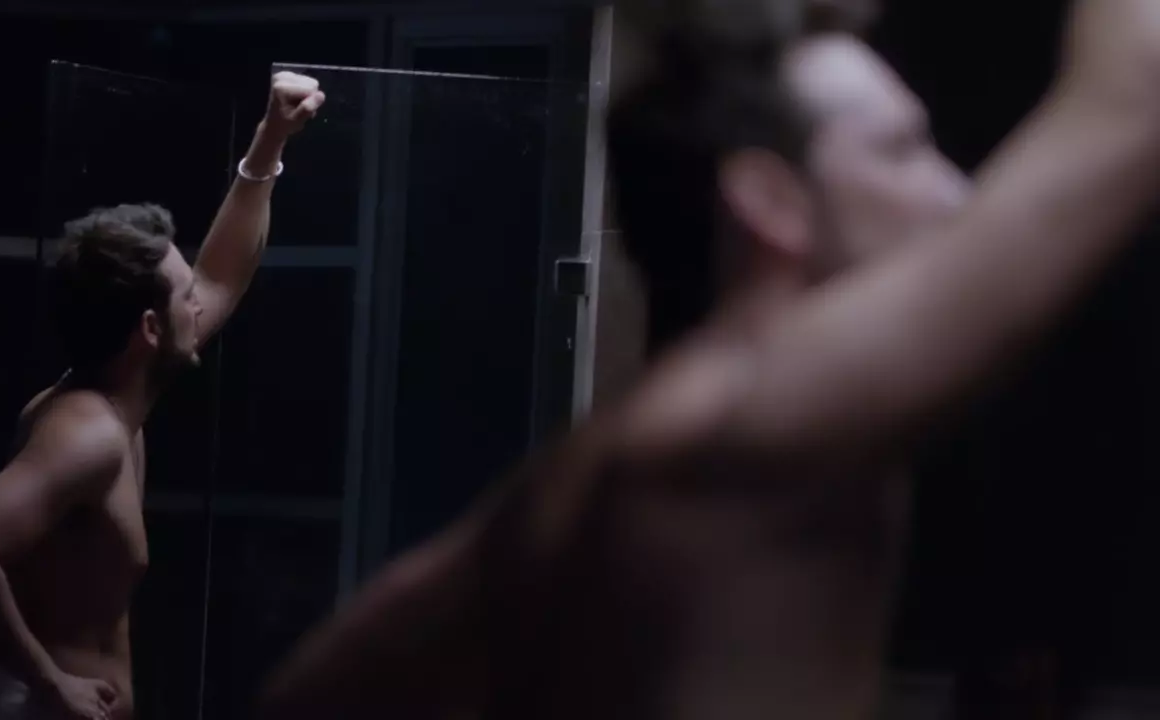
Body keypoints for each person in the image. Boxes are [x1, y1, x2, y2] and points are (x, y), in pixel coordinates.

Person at [258, 0, 1160, 717]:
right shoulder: (756, 417)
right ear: (771, 200)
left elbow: (326, 680)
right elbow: (1138, 90)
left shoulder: (619, 457)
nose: (955, 193)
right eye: (903, 151)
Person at [0, 71, 326, 720]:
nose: (199, 303)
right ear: (148, 330)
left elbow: (222, 277)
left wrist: (270, 140)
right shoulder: (87, 434)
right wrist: (52, 683)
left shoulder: (117, 397)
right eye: (183, 296)